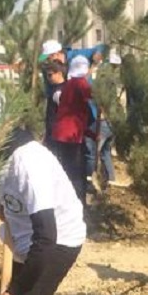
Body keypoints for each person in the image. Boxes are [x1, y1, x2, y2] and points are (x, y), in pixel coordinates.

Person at [0, 123, 86, 295]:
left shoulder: (29, 164)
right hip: (25, 240)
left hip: (58, 241)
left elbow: (46, 238)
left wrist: (15, 291)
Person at [49, 54, 94, 202]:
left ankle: (67, 199)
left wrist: (92, 135)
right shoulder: (81, 83)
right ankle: (77, 202)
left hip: (62, 133)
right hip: (71, 135)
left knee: (67, 168)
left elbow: (75, 114)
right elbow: (94, 99)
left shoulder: (68, 84)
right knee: (75, 171)